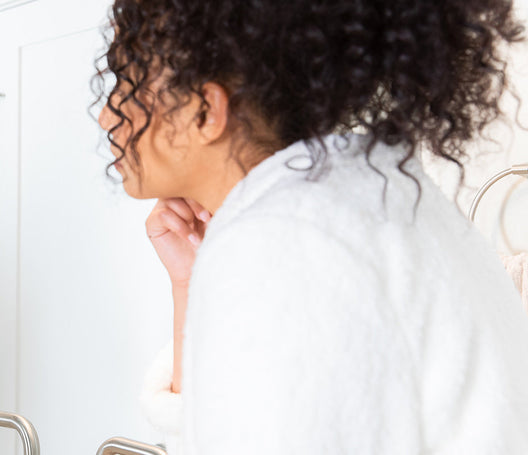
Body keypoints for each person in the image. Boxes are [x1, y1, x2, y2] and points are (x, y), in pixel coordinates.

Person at [95, 0, 528, 453]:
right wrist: (190, 284)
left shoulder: (286, 242)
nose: (107, 117)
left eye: (126, 87)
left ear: (205, 112)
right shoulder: (372, 202)